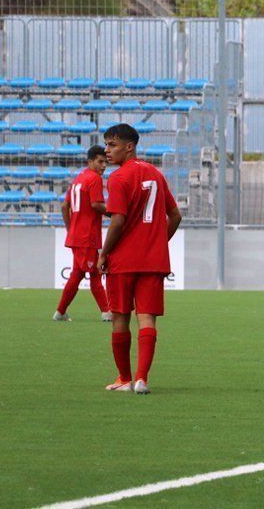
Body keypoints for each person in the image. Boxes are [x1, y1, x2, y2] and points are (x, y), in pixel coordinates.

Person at [98, 124, 182, 394]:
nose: (107, 150)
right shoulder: (156, 174)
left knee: (120, 318)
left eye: (112, 144)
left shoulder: (119, 178)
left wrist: (104, 253)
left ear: (129, 146)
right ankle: (142, 379)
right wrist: (157, 242)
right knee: (147, 319)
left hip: (123, 260)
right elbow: (176, 215)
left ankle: (124, 378)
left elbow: (118, 220)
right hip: (153, 260)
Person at [54, 145, 111, 322]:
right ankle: (107, 312)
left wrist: (70, 229)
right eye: (100, 162)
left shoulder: (79, 179)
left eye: (105, 162)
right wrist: (114, 212)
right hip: (87, 237)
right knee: (95, 273)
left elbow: (64, 206)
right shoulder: (94, 179)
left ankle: (60, 312)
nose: (103, 166)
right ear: (90, 162)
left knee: (77, 275)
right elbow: (96, 205)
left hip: (77, 236)